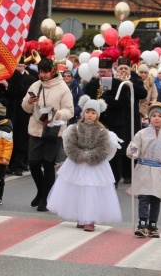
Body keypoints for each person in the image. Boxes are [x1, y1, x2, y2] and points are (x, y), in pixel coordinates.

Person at [46, 95, 121, 232]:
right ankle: (82, 216)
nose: (90, 115)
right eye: (87, 112)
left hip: (95, 165)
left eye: (93, 113)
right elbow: (70, 145)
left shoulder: (102, 131)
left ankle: (90, 219)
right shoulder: (75, 129)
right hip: (77, 163)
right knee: (78, 191)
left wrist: (91, 155)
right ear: (83, 112)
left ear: (97, 114)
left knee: (91, 190)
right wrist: (79, 154)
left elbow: (103, 148)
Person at [84, 49, 147, 186]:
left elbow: (123, 103)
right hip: (97, 123)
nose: (102, 74)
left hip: (114, 123)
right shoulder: (91, 85)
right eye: (100, 72)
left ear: (110, 72)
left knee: (114, 153)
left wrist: (106, 98)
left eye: (105, 72)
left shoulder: (119, 84)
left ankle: (115, 179)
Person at [22, 56, 74, 212]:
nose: (42, 75)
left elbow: (70, 111)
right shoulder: (35, 85)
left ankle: (45, 198)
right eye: (40, 72)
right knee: (33, 162)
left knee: (48, 164)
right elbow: (25, 107)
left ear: (52, 71)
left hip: (53, 131)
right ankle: (41, 191)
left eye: (45, 72)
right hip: (36, 129)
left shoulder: (63, 88)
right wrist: (29, 102)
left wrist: (57, 114)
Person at [127, 102, 161, 238]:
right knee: (144, 197)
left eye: (160, 116)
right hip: (144, 169)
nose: (157, 118)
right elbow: (133, 150)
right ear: (149, 118)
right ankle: (142, 223)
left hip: (160, 171)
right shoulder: (141, 133)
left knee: (155, 198)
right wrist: (133, 150)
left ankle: (153, 224)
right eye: (154, 115)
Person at [6, 55, 36, 175]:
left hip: (24, 112)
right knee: (10, 137)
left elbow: (24, 92)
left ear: (25, 66)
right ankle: (9, 163)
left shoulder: (30, 79)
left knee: (21, 139)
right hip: (12, 110)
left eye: (20, 65)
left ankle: (18, 164)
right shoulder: (10, 77)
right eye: (16, 66)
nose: (18, 68)